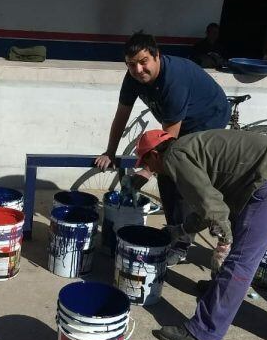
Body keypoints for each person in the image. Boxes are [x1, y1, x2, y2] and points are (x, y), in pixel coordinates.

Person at [134, 128, 267, 340]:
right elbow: (207, 206)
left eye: (147, 163)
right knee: (238, 248)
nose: (151, 170)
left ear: (155, 154)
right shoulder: (192, 147)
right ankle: (219, 289)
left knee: (240, 260)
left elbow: (211, 206)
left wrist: (224, 241)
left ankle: (204, 332)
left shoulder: (174, 156)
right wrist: (179, 230)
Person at [94, 31, 230, 264]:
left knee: (178, 174)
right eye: (131, 64)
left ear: (157, 56)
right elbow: (121, 115)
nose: (138, 70)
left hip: (207, 119)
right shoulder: (132, 77)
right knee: (167, 174)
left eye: (143, 62)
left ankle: (182, 242)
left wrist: (145, 173)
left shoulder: (173, 81)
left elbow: (168, 144)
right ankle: (179, 231)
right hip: (179, 122)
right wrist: (110, 152)